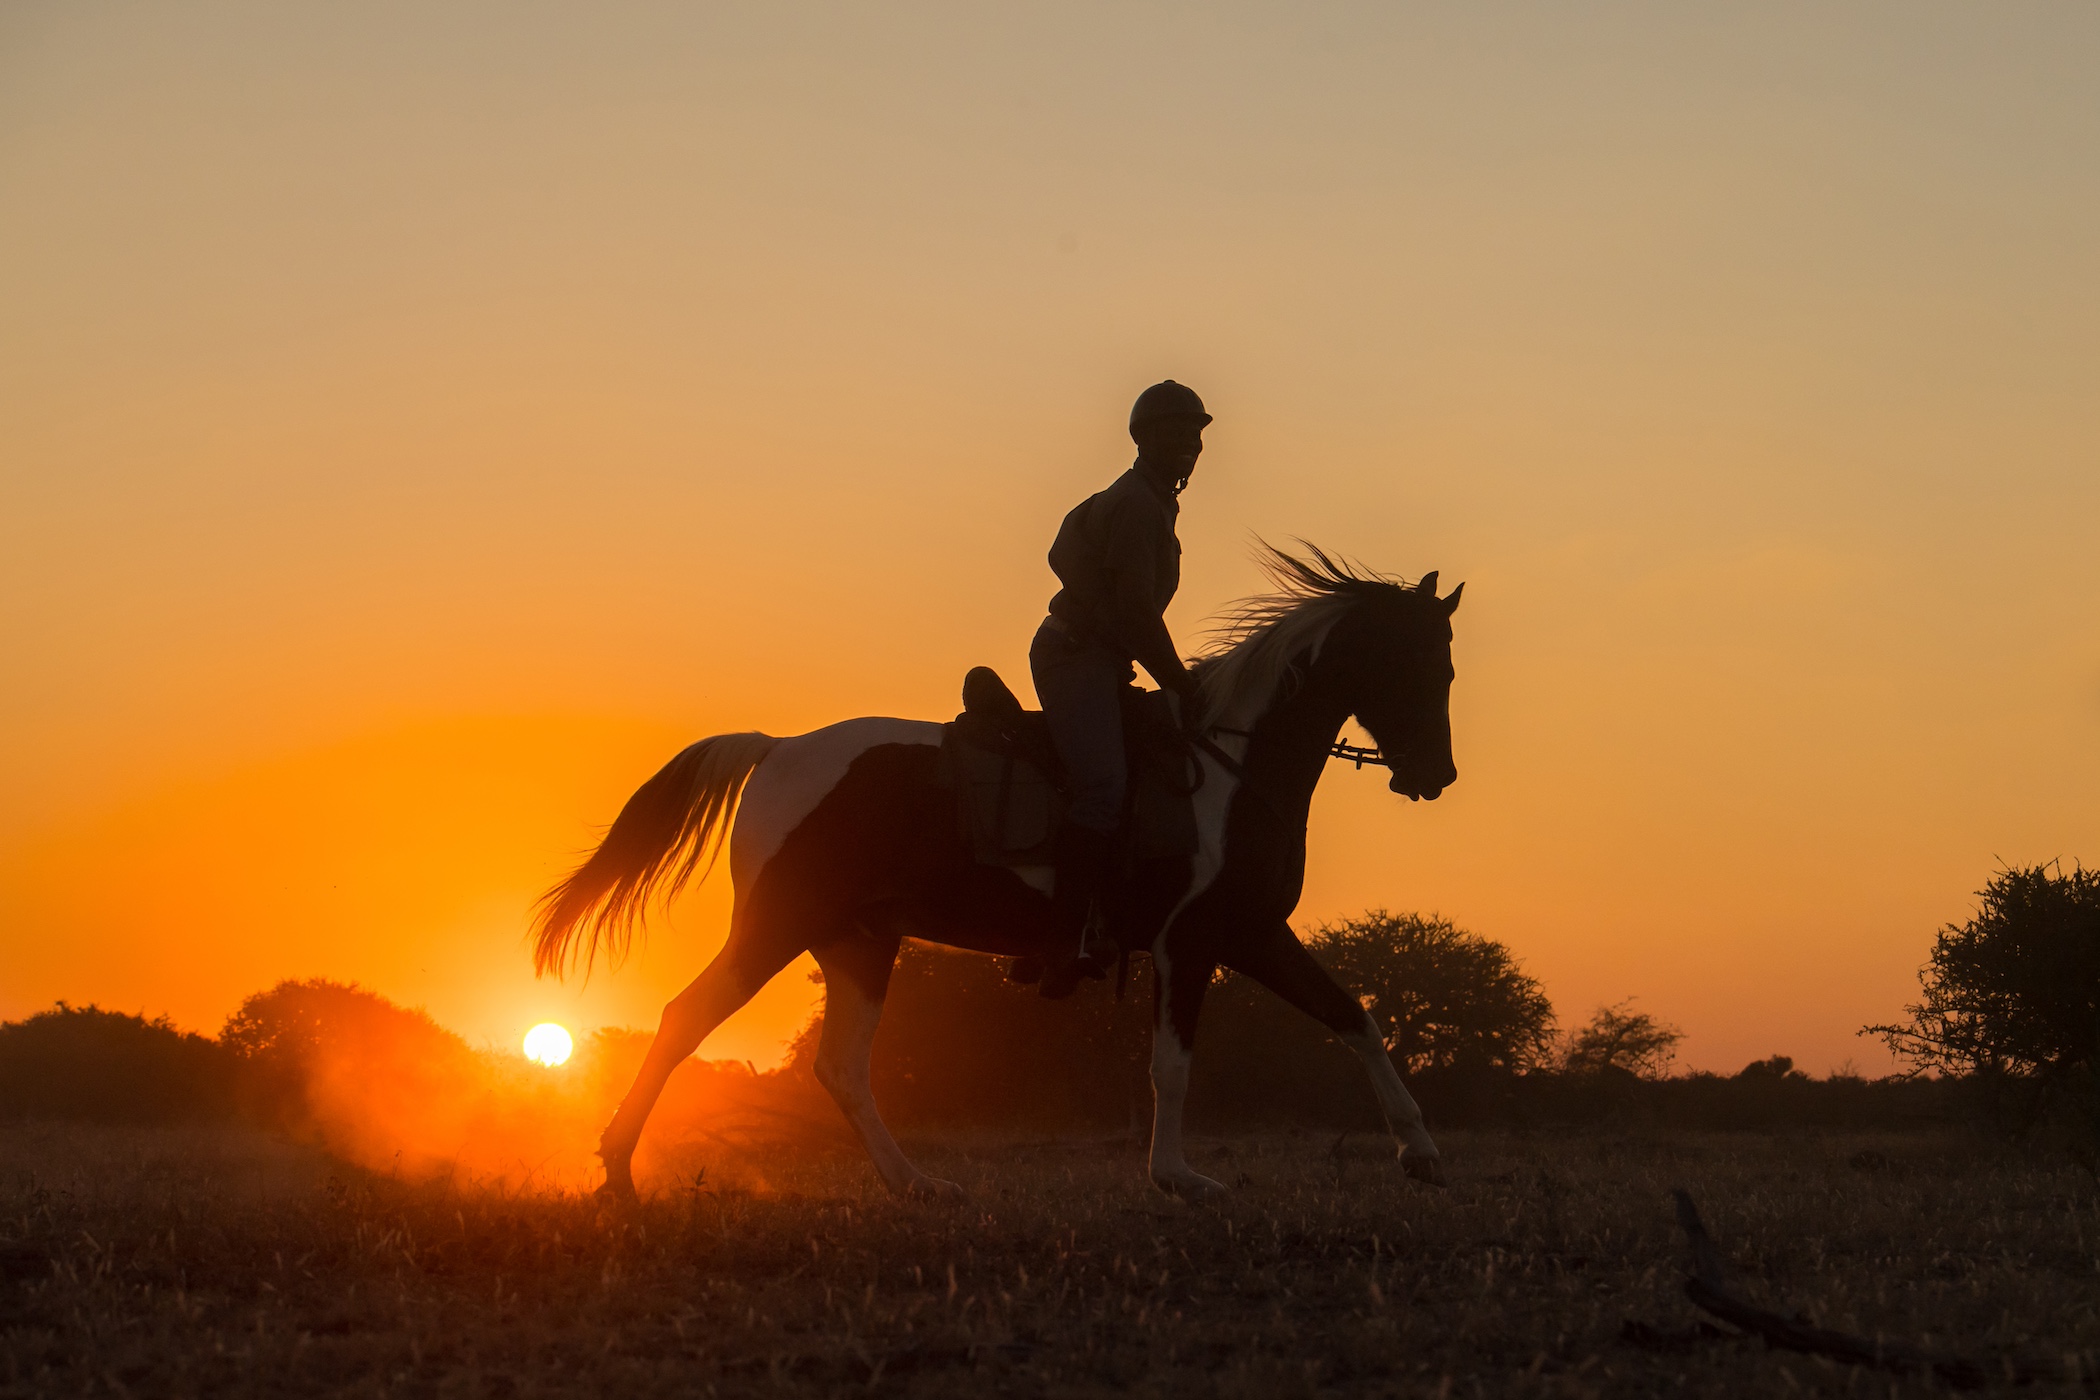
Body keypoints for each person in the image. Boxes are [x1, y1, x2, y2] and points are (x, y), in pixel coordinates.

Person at [1028, 380, 1209, 998]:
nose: (1191, 442)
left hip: (1102, 664)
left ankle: (1105, 912)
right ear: (1146, 438)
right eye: (1179, 431)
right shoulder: (1137, 505)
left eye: (1197, 433)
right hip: (1077, 659)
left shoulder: (1153, 501)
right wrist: (1181, 682)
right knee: (1103, 789)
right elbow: (1136, 613)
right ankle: (1055, 944)